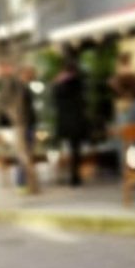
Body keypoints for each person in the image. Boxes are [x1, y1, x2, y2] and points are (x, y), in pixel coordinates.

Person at [52, 56, 88, 186]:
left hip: (66, 122)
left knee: (70, 149)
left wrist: (58, 82)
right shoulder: (77, 82)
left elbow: (56, 101)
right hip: (75, 121)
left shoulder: (60, 84)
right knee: (75, 150)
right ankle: (74, 176)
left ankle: (71, 176)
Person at [14, 65, 38, 191]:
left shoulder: (24, 88)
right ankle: (22, 184)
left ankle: (25, 183)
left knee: (25, 155)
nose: (33, 76)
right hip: (25, 126)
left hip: (26, 125)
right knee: (24, 155)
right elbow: (20, 110)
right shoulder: (20, 89)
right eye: (31, 73)